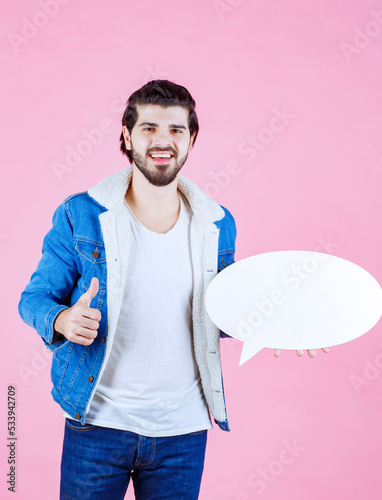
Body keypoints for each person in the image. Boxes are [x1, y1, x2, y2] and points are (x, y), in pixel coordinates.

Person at [18, 79, 328, 499]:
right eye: (148, 128)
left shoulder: (217, 224)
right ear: (126, 136)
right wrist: (61, 319)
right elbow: (33, 299)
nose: (162, 140)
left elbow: (223, 311)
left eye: (176, 130)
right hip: (96, 425)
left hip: (182, 433)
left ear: (191, 139)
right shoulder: (82, 215)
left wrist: (278, 324)